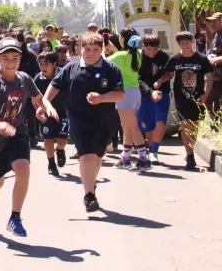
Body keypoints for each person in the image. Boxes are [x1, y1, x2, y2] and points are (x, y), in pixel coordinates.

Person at [0, 38, 58, 237]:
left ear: (20, 58)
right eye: (6, 58)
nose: (11, 61)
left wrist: (46, 108)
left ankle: (15, 217)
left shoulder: (24, 79)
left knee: (23, 169)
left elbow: (38, 99)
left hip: (18, 132)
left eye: (14, 57)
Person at [45, 32, 124, 212]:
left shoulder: (111, 69)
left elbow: (120, 94)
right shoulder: (71, 67)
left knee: (96, 158)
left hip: (104, 120)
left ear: (102, 50)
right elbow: (55, 85)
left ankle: (90, 185)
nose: (90, 53)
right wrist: (45, 103)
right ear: (81, 49)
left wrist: (101, 98)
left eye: (95, 50)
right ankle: (89, 196)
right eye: (87, 49)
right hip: (78, 119)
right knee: (86, 155)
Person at [156, 31, 215, 171]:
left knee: (193, 125)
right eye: (182, 43)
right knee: (184, 123)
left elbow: (210, 78)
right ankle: (190, 156)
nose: (185, 45)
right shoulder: (175, 59)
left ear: (192, 42)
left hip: (197, 97)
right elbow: (168, 73)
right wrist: (159, 80)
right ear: (178, 44)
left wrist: (206, 95)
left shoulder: (201, 59)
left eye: (187, 42)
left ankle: (191, 150)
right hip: (180, 97)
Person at [106, 29, 150, 171]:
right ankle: (125, 158)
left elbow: (102, 62)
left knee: (132, 126)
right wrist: (115, 49)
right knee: (127, 127)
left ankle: (143, 159)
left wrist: (104, 49)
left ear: (123, 38)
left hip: (124, 94)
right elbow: (125, 56)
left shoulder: (120, 55)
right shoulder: (137, 54)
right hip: (135, 92)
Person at [137, 34, 170, 164]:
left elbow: (169, 73)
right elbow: (138, 79)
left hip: (162, 93)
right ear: (143, 47)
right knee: (147, 126)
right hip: (144, 95)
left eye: (155, 49)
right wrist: (150, 92)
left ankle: (154, 151)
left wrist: (160, 80)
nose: (152, 52)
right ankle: (150, 148)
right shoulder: (138, 58)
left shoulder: (163, 57)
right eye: (148, 49)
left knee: (160, 122)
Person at [34, 51, 68, 177]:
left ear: (54, 64)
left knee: (62, 139)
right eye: (40, 64)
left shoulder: (63, 74)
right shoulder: (38, 78)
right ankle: (51, 164)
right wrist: (39, 110)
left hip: (63, 111)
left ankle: (60, 150)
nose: (43, 67)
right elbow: (34, 98)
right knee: (47, 137)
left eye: (46, 64)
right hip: (46, 113)